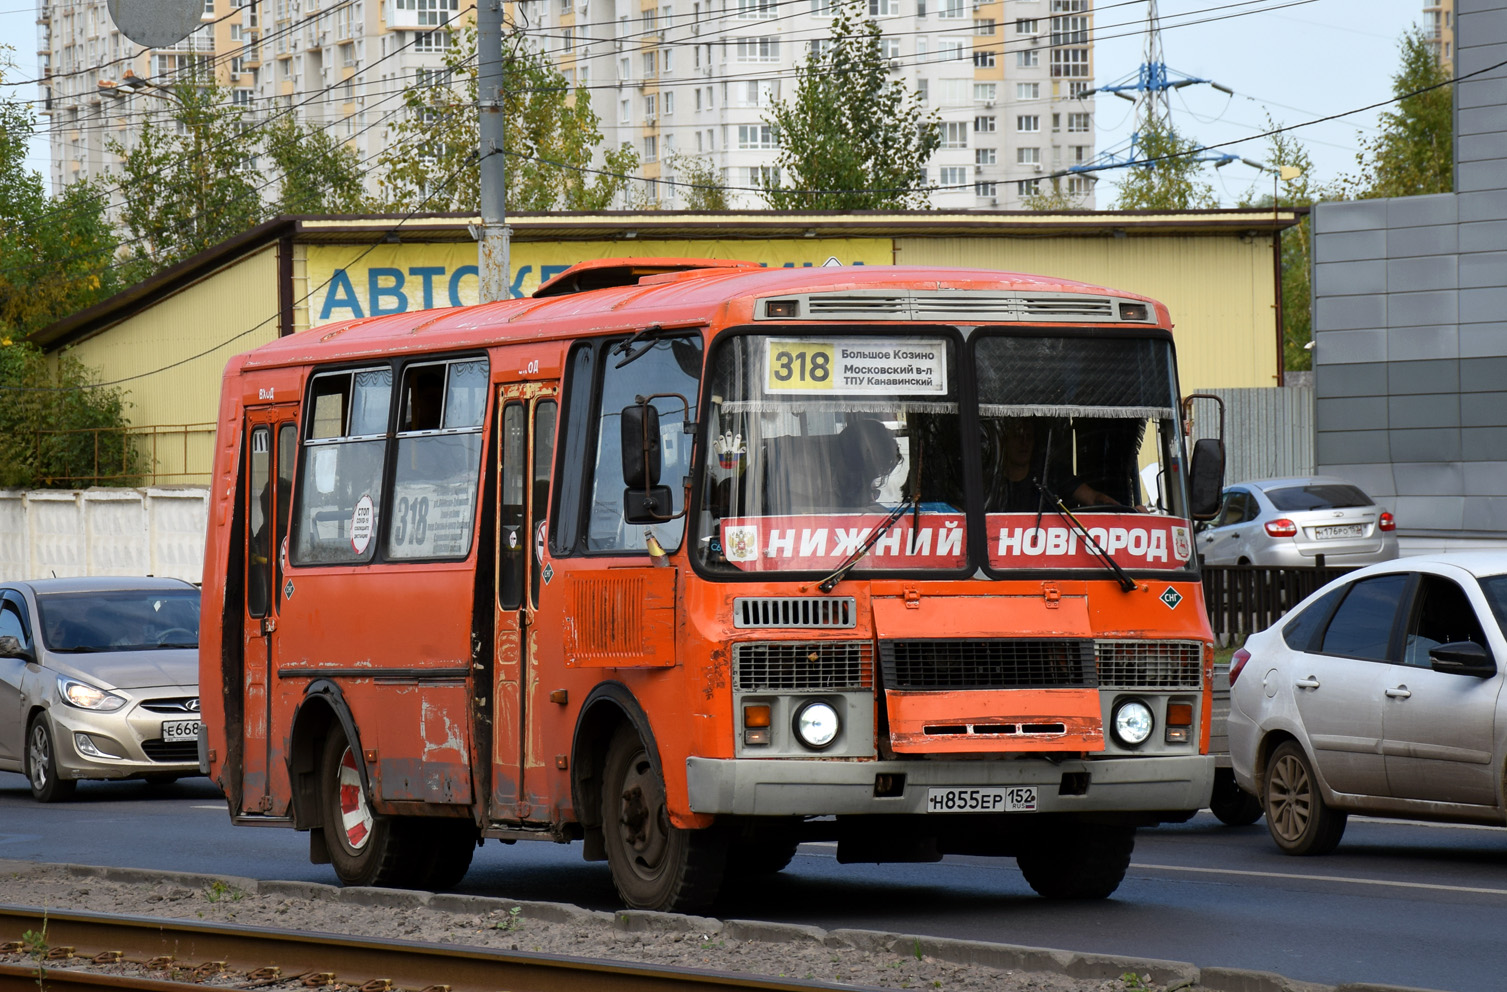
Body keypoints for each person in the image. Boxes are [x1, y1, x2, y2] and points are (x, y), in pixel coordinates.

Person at [985, 417, 1124, 513]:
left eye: (1029, 437)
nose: (1024, 443)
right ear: (1004, 442)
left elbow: (1093, 498)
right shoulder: (989, 484)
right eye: (1017, 436)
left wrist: (1128, 512)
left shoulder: (1051, 474)